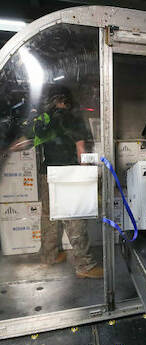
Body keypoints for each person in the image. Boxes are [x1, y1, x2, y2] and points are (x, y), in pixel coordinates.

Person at [11, 88, 103, 279]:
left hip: (47, 174)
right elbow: (80, 147)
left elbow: (22, 142)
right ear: (66, 101)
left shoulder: (42, 119)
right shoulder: (72, 117)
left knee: (48, 216)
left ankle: (49, 257)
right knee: (74, 219)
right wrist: (85, 172)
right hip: (67, 173)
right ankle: (84, 266)